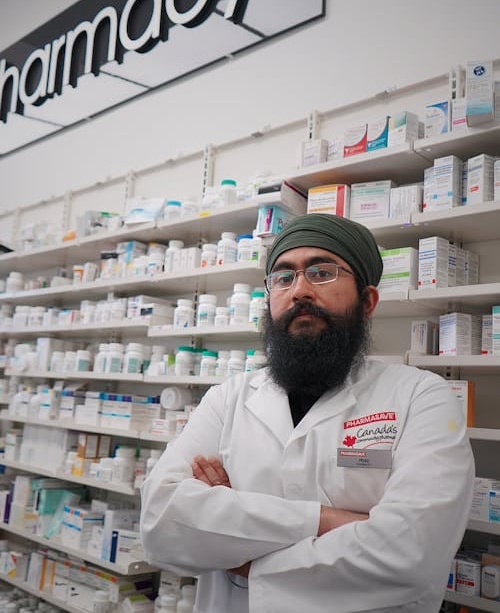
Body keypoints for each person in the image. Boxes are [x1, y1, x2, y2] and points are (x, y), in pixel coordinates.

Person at [140, 213, 474, 613]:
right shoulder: (227, 398)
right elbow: (161, 523)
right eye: (283, 277)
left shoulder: (421, 396)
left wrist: (238, 546)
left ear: (367, 302)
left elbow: (412, 552)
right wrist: (329, 521)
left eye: (321, 272)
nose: (299, 290)